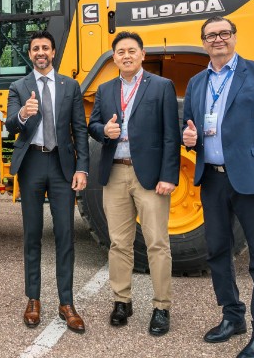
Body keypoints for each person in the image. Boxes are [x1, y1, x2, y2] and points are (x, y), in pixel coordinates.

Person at [182, 16, 254, 358]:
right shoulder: (197, 83)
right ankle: (233, 317)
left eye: (223, 33)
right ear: (203, 42)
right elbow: (193, 128)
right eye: (211, 35)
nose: (218, 39)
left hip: (253, 182)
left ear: (234, 37)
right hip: (212, 179)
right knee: (216, 251)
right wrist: (191, 139)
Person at [87, 31, 181, 337]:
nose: (126, 56)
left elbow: (171, 134)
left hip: (150, 177)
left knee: (156, 243)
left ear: (142, 55)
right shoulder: (104, 89)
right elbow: (94, 125)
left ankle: (161, 306)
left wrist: (169, 175)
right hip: (114, 173)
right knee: (119, 243)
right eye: (120, 52)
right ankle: (121, 301)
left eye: (131, 51)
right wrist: (105, 131)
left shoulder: (161, 87)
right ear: (114, 58)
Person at [6, 30, 89, 333]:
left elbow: (79, 129)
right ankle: (33, 300)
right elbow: (10, 123)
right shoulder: (19, 86)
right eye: (35, 48)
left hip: (61, 165)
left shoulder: (70, 86)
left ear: (53, 53)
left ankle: (66, 303)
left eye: (45, 48)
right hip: (32, 164)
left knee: (65, 235)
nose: (40, 52)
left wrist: (83, 168)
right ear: (30, 54)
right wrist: (25, 115)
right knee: (32, 234)